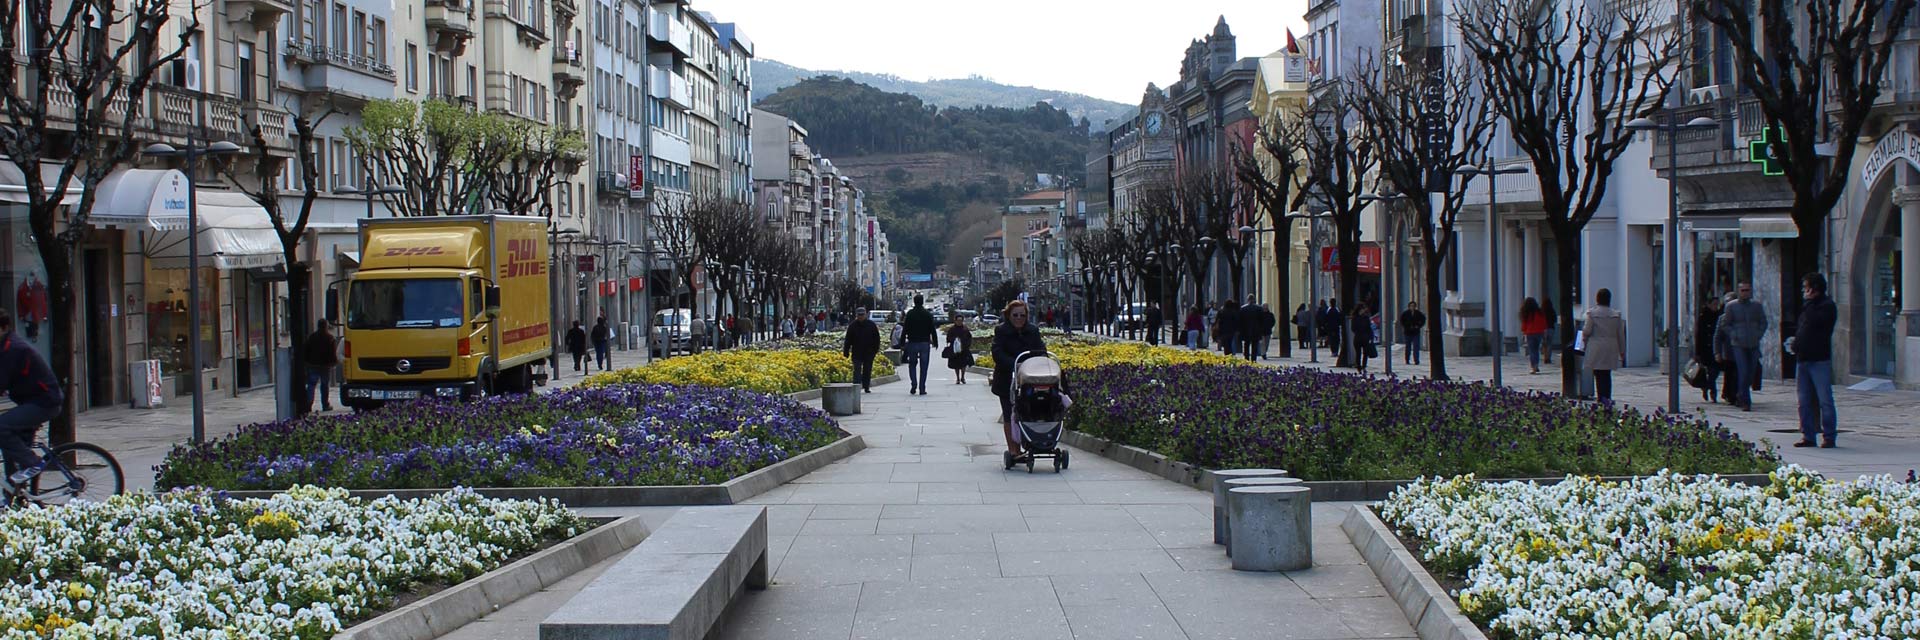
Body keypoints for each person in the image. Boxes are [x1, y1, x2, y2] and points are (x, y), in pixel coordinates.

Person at [0, 308, 62, 490]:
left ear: (4, 327)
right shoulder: (5, 346)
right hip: (32, 401)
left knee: (2, 427)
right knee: (10, 444)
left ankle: (32, 463)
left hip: (44, 402)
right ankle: (17, 496)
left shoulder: (13, 349)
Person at [991, 300, 1046, 459]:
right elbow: (997, 352)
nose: (1019, 318)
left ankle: (1028, 443)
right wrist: (1015, 364)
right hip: (1007, 378)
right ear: (1008, 315)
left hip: (1030, 378)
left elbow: (1041, 349)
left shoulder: (1033, 330)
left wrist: (1035, 361)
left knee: (1028, 411)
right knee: (1009, 413)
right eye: (1015, 315)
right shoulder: (1001, 331)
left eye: (1022, 315)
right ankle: (1013, 449)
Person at [1791, 272, 1837, 448]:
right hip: (1803, 359)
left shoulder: (1826, 306)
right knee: (1804, 401)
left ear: (1814, 289)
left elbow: (1815, 323)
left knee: (1824, 399)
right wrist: (1796, 344)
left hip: (1819, 359)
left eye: (1806, 287)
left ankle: (1829, 435)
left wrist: (1809, 304)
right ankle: (1808, 435)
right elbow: (1803, 328)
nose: (1804, 291)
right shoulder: (1807, 307)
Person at [1717, 281, 1768, 411]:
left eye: (1748, 290)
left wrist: (1758, 334)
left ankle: (1741, 392)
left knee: (1751, 372)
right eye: (1743, 290)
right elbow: (1725, 324)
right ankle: (1745, 400)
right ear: (1738, 291)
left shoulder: (1756, 306)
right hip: (1738, 344)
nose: (1745, 293)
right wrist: (1734, 334)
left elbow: (1763, 321)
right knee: (1743, 371)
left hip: (1753, 343)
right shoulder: (1731, 307)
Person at [1583, 288, 1626, 403]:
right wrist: (1622, 351)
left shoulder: (1592, 313)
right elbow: (1620, 334)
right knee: (1607, 373)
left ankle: (1601, 397)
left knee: (1598, 373)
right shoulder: (1616, 315)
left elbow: (1587, 331)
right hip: (1611, 346)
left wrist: (1583, 339)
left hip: (1596, 345)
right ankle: (1607, 397)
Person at [299, 320, 339, 412]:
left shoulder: (312, 337)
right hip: (325, 366)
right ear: (326, 326)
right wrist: (333, 363)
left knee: (311, 385)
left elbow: (306, 350)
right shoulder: (330, 338)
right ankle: (325, 404)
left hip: (313, 365)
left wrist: (306, 362)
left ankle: (308, 405)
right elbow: (332, 353)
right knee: (324, 386)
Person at [902, 294, 938, 395]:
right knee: (924, 366)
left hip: (912, 342)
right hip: (924, 343)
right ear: (922, 302)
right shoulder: (927, 314)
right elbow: (932, 329)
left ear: (914, 301)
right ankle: (922, 387)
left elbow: (905, 328)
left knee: (912, 364)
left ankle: (914, 384)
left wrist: (902, 342)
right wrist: (935, 341)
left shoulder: (910, 314)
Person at [1692, 296, 1724, 404]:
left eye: (1717, 304)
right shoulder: (1703, 317)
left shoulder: (1719, 316)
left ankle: (1706, 387)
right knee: (1711, 371)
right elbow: (1699, 335)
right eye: (1714, 304)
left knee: (1714, 372)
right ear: (1709, 304)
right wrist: (1697, 353)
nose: (1716, 306)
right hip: (1706, 349)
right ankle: (1713, 392)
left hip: (1717, 349)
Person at [842, 307, 882, 392]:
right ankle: (856, 386)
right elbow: (848, 339)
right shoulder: (853, 326)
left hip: (869, 352)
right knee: (857, 369)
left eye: (862, 315)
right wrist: (846, 351)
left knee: (867, 370)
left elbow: (876, 338)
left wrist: (875, 350)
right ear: (857, 315)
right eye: (859, 315)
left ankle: (866, 386)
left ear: (865, 315)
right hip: (857, 351)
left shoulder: (871, 325)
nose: (860, 316)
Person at [1520, 297, 1549, 374]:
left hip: (1530, 333)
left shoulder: (1526, 313)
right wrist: (1544, 332)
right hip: (1539, 333)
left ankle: (1533, 367)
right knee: (1536, 350)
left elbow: (1524, 324)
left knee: (1532, 350)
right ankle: (1536, 365)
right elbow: (1544, 323)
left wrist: (1524, 332)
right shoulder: (1539, 312)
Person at [945, 317, 974, 384]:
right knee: (956, 365)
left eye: (961, 320)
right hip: (955, 350)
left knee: (964, 364)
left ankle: (963, 377)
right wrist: (955, 340)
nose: (959, 322)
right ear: (955, 321)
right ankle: (957, 378)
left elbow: (969, 337)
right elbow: (948, 338)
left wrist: (967, 344)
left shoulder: (965, 329)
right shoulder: (952, 329)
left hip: (964, 349)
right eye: (958, 320)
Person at [1351, 303, 1376, 371]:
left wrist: (1371, 337)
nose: (1363, 311)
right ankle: (1359, 367)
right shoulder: (1355, 318)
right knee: (1358, 353)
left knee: (1366, 353)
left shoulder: (1366, 318)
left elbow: (1369, 328)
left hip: (1365, 337)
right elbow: (1353, 328)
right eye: (1362, 309)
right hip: (1358, 338)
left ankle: (1364, 366)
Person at [1541, 298, 1559, 365]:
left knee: (1544, 343)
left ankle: (1545, 357)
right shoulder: (1552, 311)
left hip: (1544, 329)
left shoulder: (1541, 311)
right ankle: (1548, 357)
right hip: (1551, 328)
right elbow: (1555, 320)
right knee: (1549, 343)